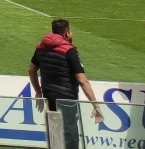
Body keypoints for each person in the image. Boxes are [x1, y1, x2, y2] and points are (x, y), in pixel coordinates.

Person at [30, 19, 103, 149]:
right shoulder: (69, 51)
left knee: (55, 131)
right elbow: (82, 80)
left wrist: (38, 91)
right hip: (66, 97)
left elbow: (31, 70)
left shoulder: (41, 47)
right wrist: (95, 105)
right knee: (70, 134)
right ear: (67, 33)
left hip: (49, 95)